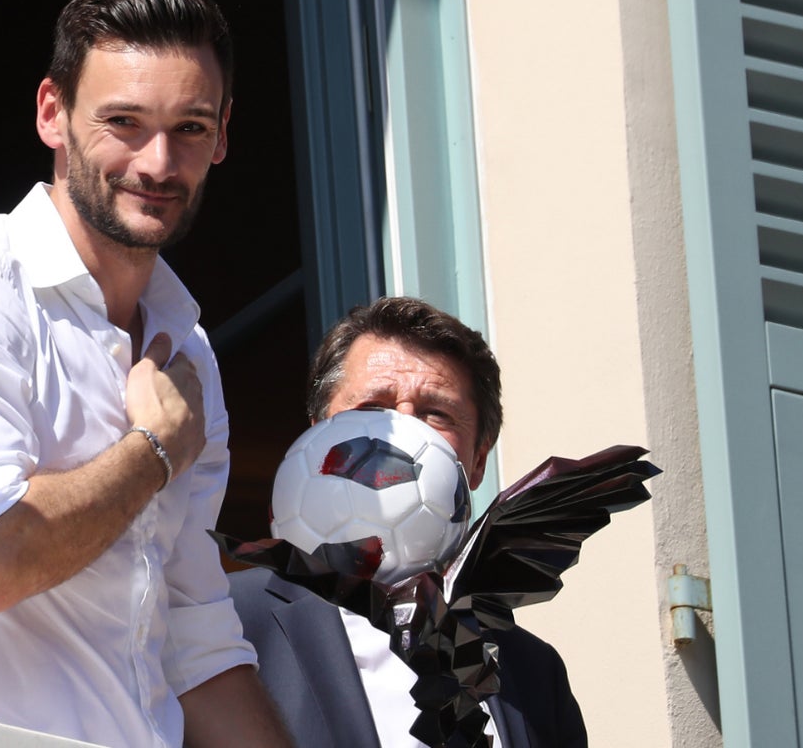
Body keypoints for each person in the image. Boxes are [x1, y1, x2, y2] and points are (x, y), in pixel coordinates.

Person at [0, 0, 290, 747]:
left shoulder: (186, 343)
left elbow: (193, 636)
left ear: (223, 134)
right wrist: (153, 453)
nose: (158, 164)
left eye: (190, 127)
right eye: (124, 122)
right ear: (52, 114)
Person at [229, 296, 588, 747]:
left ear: (478, 460)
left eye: (435, 414)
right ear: (318, 434)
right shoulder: (227, 624)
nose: (400, 435)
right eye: (372, 408)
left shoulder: (533, 673)